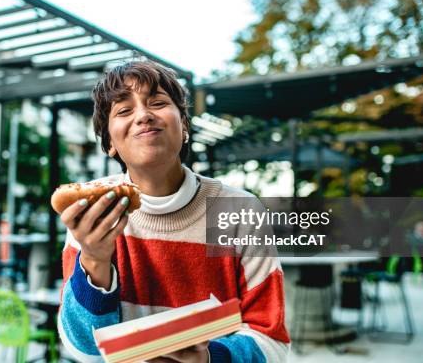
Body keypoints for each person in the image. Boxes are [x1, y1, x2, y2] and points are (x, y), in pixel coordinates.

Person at [57, 61, 290, 362]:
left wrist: (209, 358)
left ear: (185, 127)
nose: (143, 115)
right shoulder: (94, 214)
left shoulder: (240, 211)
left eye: (157, 102)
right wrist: (93, 258)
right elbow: (83, 348)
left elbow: (272, 342)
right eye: (124, 110)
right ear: (109, 143)